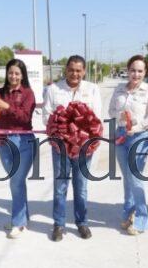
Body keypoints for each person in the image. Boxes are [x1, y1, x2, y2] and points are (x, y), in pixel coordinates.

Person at [42, 55, 103, 242]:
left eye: (78, 70)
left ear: (83, 71)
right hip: (61, 146)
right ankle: (58, 224)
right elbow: (46, 117)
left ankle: (82, 222)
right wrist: (63, 131)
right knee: (60, 186)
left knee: (81, 186)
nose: (74, 73)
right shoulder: (53, 89)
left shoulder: (92, 89)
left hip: (84, 147)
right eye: (71, 69)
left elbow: (97, 117)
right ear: (66, 70)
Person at [108, 55, 148, 235]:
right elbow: (111, 110)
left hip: (139, 137)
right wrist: (119, 116)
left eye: (140, 71)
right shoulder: (119, 89)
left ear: (145, 72)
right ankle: (128, 211)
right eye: (133, 70)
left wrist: (136, 127)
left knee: (135, 177)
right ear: (127, 70)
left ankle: (142, 219)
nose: (136, 74)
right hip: (121, 136)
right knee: (127, 177)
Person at [0, 58, 36, 238]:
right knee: (16, 181)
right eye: (10, 72)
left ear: (22, 75)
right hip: (3, 141)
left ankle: (17, 223)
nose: (13, 76)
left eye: (17, 73)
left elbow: (25, 118)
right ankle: (23, 217)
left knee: (16, 182)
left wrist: (7, 107)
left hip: (23, 141)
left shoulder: (28, 93)